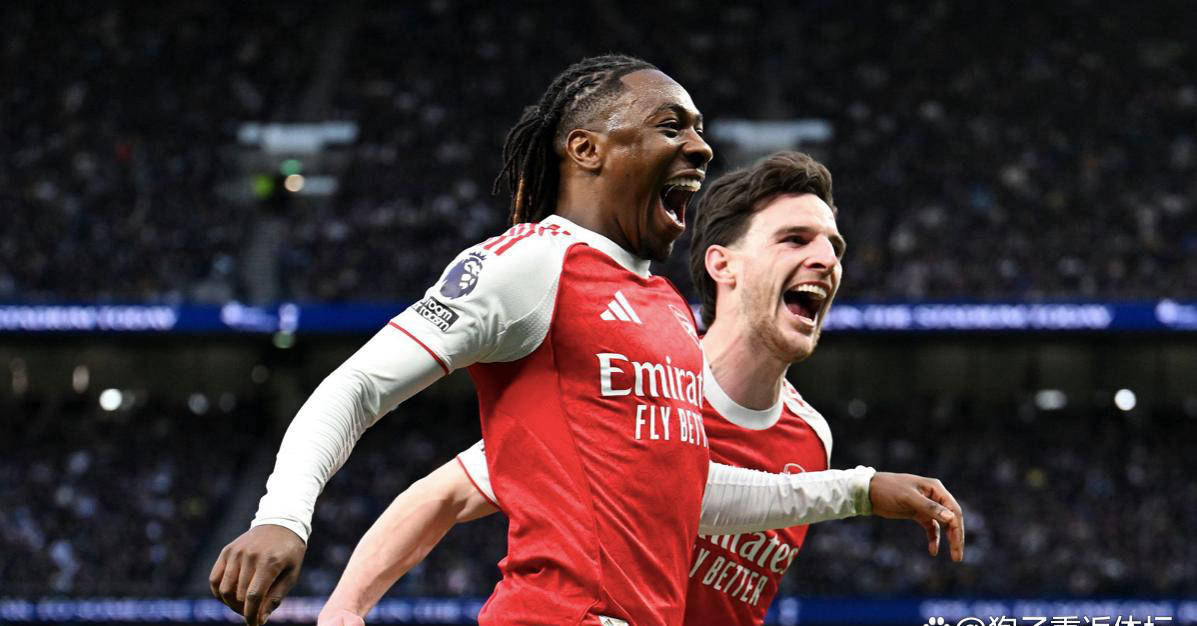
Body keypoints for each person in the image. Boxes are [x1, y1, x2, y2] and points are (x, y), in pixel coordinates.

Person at [210, 56, 963, 626]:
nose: (700, 148)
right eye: (672, 126)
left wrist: (861, 490)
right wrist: (284, 516)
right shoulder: (531, 261)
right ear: (587, 149)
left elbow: (680, 493)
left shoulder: (666, 308)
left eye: (699, 129)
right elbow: (357, 386)